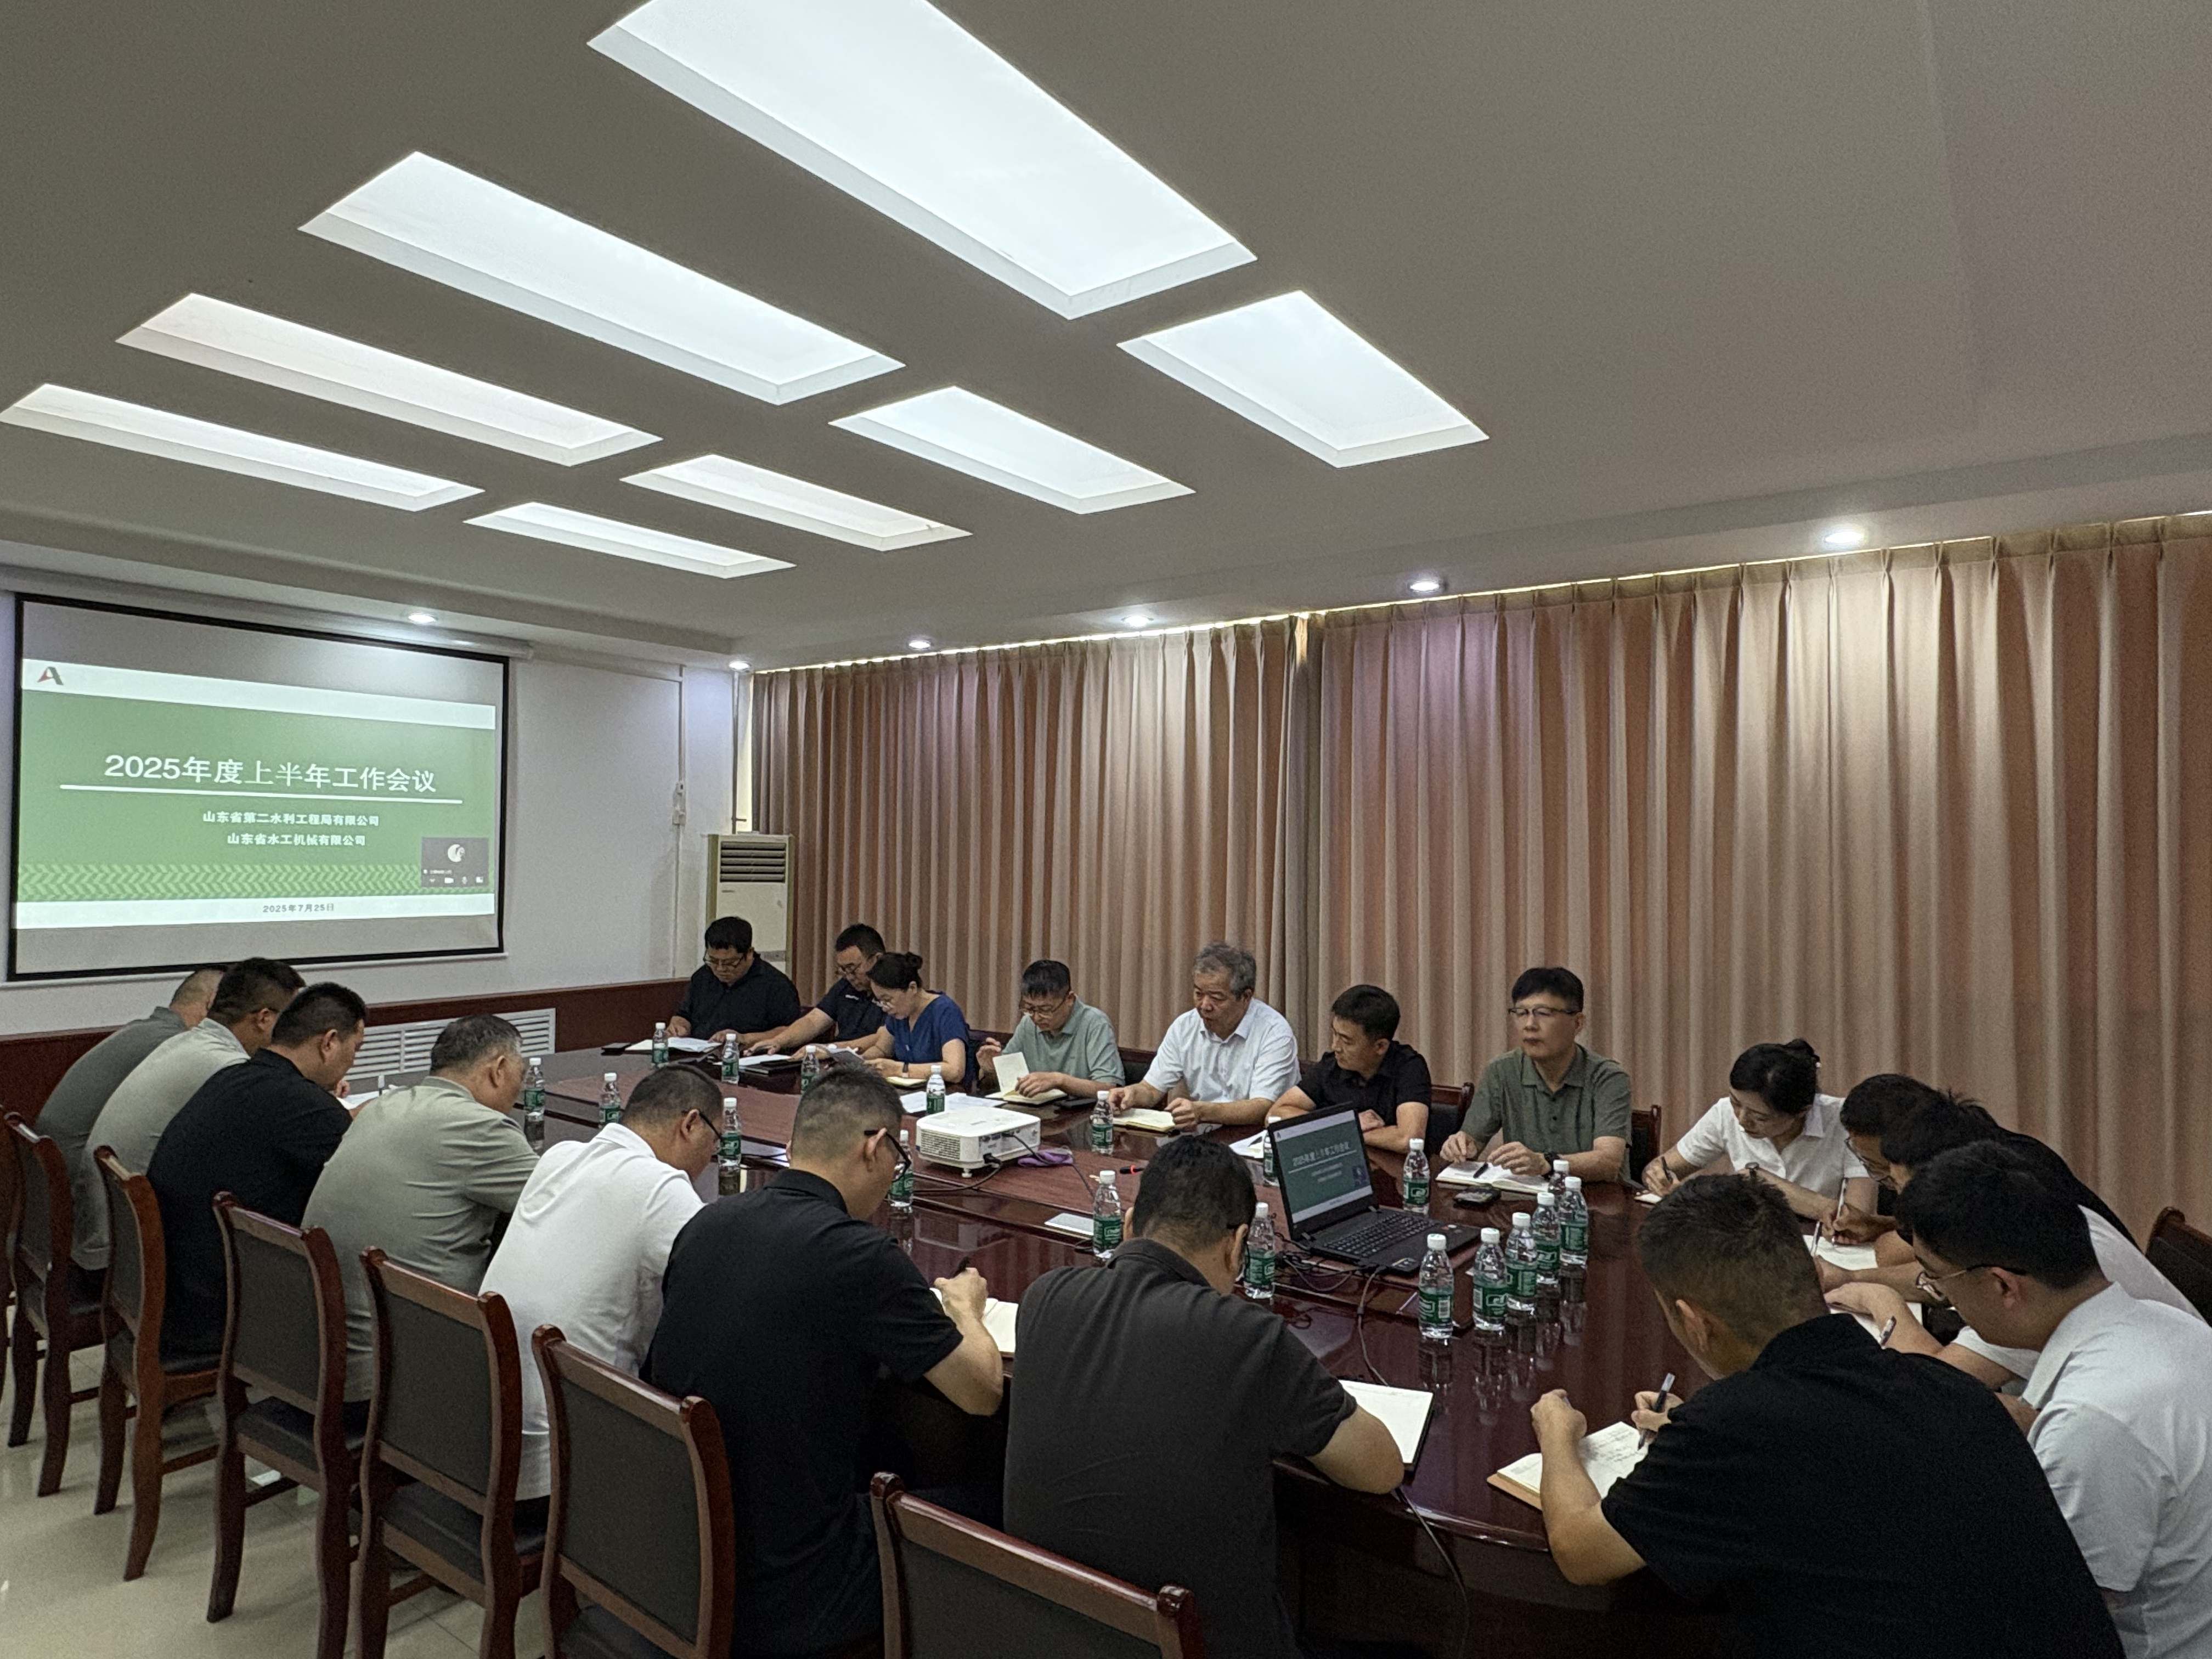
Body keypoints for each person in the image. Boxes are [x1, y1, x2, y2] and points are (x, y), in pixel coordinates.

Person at [1528, 1174, 2121, 1659]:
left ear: (1694, 1322)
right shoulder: (1945, 1386)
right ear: (1814, 1275)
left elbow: (1582, 1552)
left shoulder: (1736, 1428)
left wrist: (1558, 1436)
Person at [646, 1070, 1002, 1659]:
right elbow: (983, 1392)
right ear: (875, 1146)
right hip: (797, 1589)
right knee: (998, 1507)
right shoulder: (859, 1254)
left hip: (686, 1552)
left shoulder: (706, 1224)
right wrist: (966, 1310)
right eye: (898, 1160)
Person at [1004, 1135, 1401, 1659]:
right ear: (1237, 1246)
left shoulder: (1044, 1296)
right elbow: (1380, 1470)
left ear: (1129, 1225)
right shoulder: (1247, 1337)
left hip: (1050, 1633)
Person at [1892, 1144, 2212, 1659]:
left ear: (2002, 1285)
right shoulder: (2167, 1323)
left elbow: (2057, 1619)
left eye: (1936, 1280)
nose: (1943, 1297)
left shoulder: (2092, 1420)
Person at [1823, 1094, 2199, 1386]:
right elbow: (1939, 1275)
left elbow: (1939, 1383)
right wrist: (1852, 1279)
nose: (1905, 1208)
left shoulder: (2029, 1281)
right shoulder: (2036, 1211)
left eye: (1907, 1190)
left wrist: (1880, 1300)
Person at [481, 1066, 714, 1499]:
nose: (709, 1161)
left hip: (480, 1438)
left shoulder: (559, 1156)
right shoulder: (660, 1186)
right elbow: (723, 1285)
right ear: (691, 1124)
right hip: (563, 1469)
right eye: (714, 1144)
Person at [302, 1014, 540, 1399]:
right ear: (498, 1070)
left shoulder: (383, 1105)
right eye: (520, 1075)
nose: (519, 1090)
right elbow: (561, 1205)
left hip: (318, 1357)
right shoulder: (479, 1127)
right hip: (399, 1381)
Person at [146, 984, 365, 1363]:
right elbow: (363, 1182)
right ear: (329, 1042)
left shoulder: (233, 1077)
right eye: (355, 1050)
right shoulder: (305, 1107)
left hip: (173, 1291)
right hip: (218, 1314)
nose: (353, 1063)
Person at [82, 957, 304, 1265]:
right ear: (265, 1018)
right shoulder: (228, 1066)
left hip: (109, 1225)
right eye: (291, 1023)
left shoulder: (188, 1041)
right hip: (128, 1248)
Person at [38, 965, 220, 1272]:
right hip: (80, 1197)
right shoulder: (172, 1044)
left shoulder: (143, 1029)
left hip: (50, 1184)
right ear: (211, 1004)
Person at [1836, 1073, 2132, 1246]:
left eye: (1880, 1164)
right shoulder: (1984, 1142)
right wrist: (1881, 1225)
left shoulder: (1985, 1175)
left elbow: (1901, 1254)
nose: (1888, 1178)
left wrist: (1851, 1281)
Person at [1641, 1040, 1874, 1220]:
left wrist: (1760, 1180)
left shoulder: (1846, 1122)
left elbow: (1856, 1218)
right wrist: (1658, 1177)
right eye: (1736, 1103)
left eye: (1760, 1117)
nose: (1742, 1120)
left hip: (1820, 1247)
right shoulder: (1724, 1113)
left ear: (1802, 1111)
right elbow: (1659, 1168)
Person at [1436, 967, 1629, 1181]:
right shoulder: (1502, 1071)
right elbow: (1472, 1140)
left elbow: (1609, 1162)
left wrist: (1547, 1163)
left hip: (1595, 1197)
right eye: (1521, 1013)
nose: (1529, 1025)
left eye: (1543, 1014)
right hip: (1526, 1196)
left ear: (1577, 1023)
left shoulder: (1608, 1078)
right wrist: (1460, 1146)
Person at [1103, 943, 1299, 1130]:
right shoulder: (1184, 1027)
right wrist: (1131, 1094)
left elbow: (1263, 1106)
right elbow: (1152, 1090)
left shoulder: (1274, 1032)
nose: (1204, 1005)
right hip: (1204, 1137)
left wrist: (1202, 1111)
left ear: (1246, 997)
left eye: (1216, 997)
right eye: (1199, 994)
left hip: (1256, 1139)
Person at [1267, 984, 1434, 1154]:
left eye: (1346, 1041)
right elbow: (1275, 1116)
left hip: (1392, 1169)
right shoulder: (1331, 1066)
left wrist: (1344, 1131)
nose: (1335, 1046)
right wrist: (1342, 1126)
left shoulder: (1409, 1067)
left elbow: (1409, 1140)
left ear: (1380, 1046)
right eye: (1335, 1034)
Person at [974, 958, 1125, 1101]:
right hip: (1037, 1111)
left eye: (1045, 1010)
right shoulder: (1028, 1023)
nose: (1037, 1018)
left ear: (1070, 999)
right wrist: (991, 1070)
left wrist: (1058, 1080)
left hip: (1082, 1114)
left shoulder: (1095, 1023)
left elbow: (1109, 1088)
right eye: (1030, 1008)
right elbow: (1005, 1086)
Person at [747, 923, 888, 1054]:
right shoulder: (845, 986)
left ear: (876, 959)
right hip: (839, 1058)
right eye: (843, 970)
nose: (849, 976)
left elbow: (884, 1039)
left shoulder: (893, 990)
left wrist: (829, 1050)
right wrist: (779, 1041)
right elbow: (814, 1021)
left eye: (853, 968)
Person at [667, 915, 803, 1045]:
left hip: (748, 1057)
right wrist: (679, 1026)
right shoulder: (702, 977)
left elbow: (791, 1032)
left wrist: (745, 1039)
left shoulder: (776, 985)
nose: (720, 969)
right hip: (700, 1053)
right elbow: (684, 1015)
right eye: (713, 961)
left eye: (730, 963)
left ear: (749, 954)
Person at [855, 951, 973, 1088]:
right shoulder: (899, 1015)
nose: (885, 1007)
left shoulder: (945, 1011)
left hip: (943, 1093)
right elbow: (882, 1050)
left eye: (887, 1000)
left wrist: (900, 1070)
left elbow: (955, 1070)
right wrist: (857, 1063)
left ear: (912, 988)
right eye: (880, 1001)